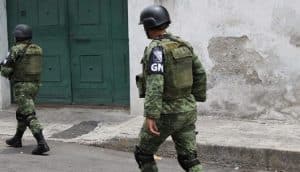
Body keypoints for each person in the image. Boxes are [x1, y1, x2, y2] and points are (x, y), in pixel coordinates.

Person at [135, 5, 207, 172]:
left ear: (148, 26)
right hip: (187, 110)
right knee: (189, 158)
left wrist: (151, 115)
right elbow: (200, 73)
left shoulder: (157, 49)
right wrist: (194, 98)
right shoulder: (183, 44)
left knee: (143, 154)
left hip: (166, 113)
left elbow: (155, 83)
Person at [0, 24, 49, 155]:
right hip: (35, 85)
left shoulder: (16, 49)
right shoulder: (37, 49)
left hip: (22, 87)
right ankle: (17, 139)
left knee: (28, 114)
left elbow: (5, 68)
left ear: (17, 36)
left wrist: (6, 70)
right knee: (21, 113)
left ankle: (42, 143)